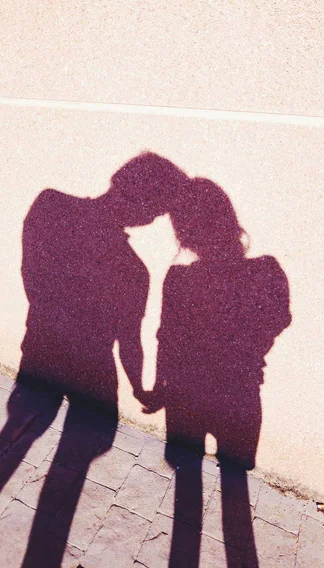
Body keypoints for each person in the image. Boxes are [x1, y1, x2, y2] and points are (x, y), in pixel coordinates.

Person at [0, 152, 189, 568]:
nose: (154, 218)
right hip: (91, 376)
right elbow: (130, 343)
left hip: (43, 358)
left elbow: (34, 282)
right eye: (158, 209)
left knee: (12, 442)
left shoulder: (49, 206)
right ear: (147, 211)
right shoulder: (133, 269)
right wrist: (141, 388)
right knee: (64, 475)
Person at [143, 177, 291, 567]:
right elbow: (281, 318)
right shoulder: (268, 272)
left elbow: (167, 341)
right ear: (230, 220)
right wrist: (250, 346)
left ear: (184, 234)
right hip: (240, 397)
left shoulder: (179, 281)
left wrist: (158, 390)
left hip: (186, 398)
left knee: (186, 499)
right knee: (236, 495)